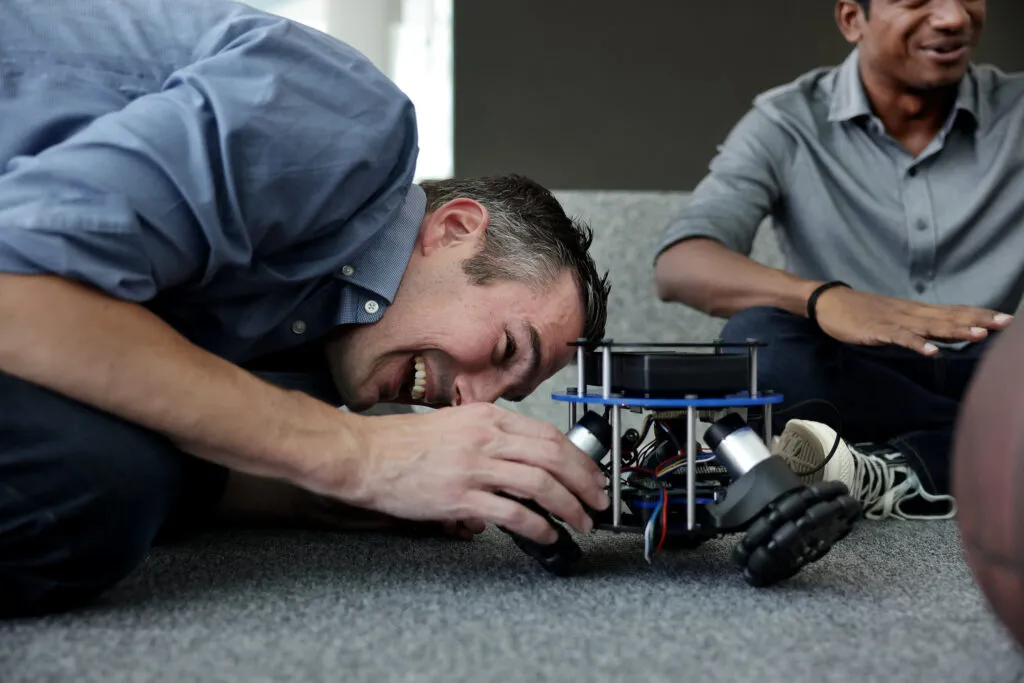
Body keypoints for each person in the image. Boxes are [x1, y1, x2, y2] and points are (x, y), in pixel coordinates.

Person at [0, 0, 612, 618]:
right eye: (506, 349)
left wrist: (300, 491)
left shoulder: (323, 356)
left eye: (507, 395)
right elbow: (18, 285)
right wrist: (359, 457)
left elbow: (137, 400)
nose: (472, 405)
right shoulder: (346, 123)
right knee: (91, 481)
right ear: (453, 229)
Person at [653, 0, 1023, 521]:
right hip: (852, 376)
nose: (953, 17)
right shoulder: (787, 122)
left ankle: (884, 467)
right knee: (757, 343)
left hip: (994, 374)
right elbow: (681, 263)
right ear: (853, 19)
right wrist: (823, 299)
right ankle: (981, 452)